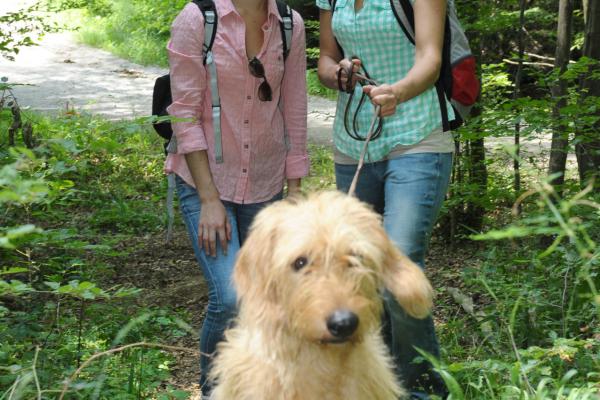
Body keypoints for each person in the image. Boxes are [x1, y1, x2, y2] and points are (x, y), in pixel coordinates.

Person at [165, 0, 308, 397]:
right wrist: (209, 200)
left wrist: (295, 190)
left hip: (266, 182)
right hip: (204, 181)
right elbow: (184, 114)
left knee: (266, 298)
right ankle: (216, 391)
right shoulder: (198, 20)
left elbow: (294, 107)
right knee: (230, 298)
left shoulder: (289, 24)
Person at [317, 0, 453, 398]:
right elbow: (326, 57)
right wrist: (337, 74)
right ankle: (377, 384)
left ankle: (423, 391)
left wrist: (398, 91)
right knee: (360, 272)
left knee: (399, 270)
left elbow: (430, 57)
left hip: (417, 134)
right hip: (353, 141)